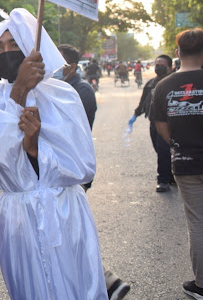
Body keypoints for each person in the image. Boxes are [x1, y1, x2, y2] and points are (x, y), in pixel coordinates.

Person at [0, 8, 106, 299]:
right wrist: (18, 91)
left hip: (64, 211)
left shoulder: (64, 95)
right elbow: (0, 159)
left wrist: (36, 150)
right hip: (19, 217)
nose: (6, 53)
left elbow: (82, 164)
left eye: (14, 45)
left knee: (76, 287)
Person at [149, 28, 203, 300]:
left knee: (198, 225)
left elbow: (161, 126)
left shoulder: (163, 86)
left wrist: (179, 143)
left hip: (186, 164)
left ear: (177, 53)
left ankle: (202, 287)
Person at [56, 45, 131, 299]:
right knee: (64, 228)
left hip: (74, 169)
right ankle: (103, 279)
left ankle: (103, 280)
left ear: (73, 67)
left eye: (58, 63)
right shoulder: (58, 88)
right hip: (57, 169)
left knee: (68, 228)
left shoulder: (81, 90)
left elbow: (74, 132)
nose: (52, 68)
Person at [129, 54, 174, 192]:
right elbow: (144, 101)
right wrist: (135, 115)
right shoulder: (151, 83)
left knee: (163, 150)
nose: (158, 66)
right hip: (153, 122)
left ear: (169, 67)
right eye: (157, 64)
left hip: (168, 122)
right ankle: (170, 175)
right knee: (158, 148)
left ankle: (163, 180)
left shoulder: (173, 83)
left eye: (162, 64)